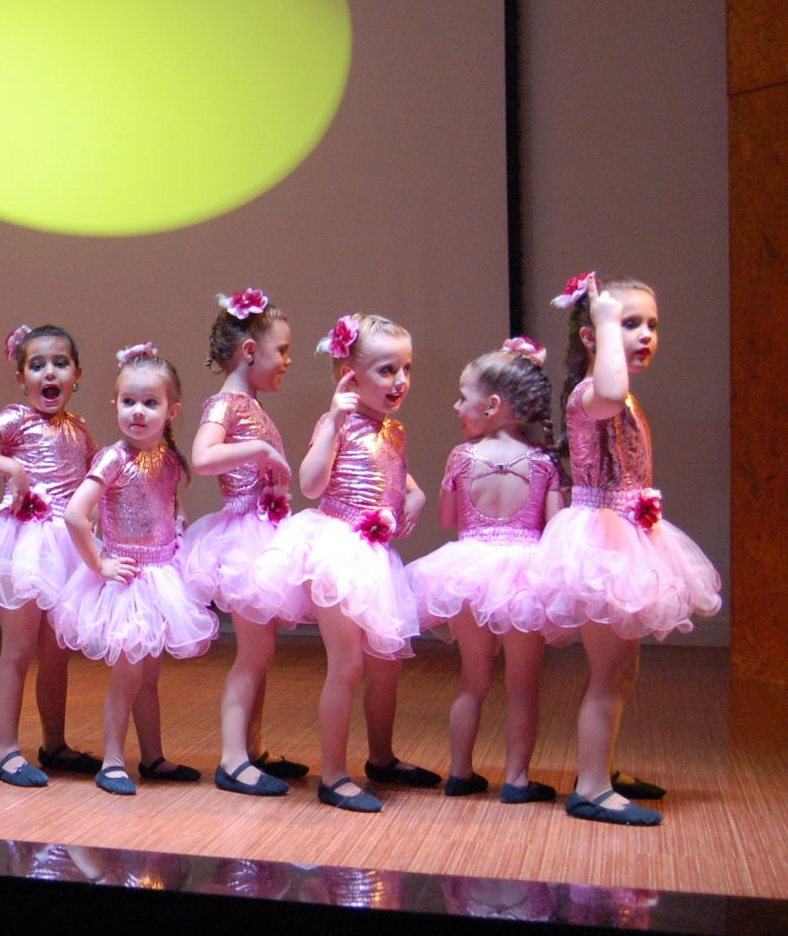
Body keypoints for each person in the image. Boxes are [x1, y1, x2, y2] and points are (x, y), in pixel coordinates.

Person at [532, 273, 720, 825]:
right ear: (592, 337)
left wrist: (611, 323)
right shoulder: (592, 394)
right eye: (627, 323)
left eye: (651, 324)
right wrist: (605, 319)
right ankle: (591, 788)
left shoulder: (622, 394)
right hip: (601, 540)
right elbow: (609, 392)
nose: (644, 335)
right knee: (609, 672)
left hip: (626, 534)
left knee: (621, 671)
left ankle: (603, 768)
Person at [245, 313, 433, 812]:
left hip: (375, 556)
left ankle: (382, 757)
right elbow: (311, 484)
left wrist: (414, 493)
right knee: (347, 665)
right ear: (350, 375)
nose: (400, 381)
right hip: (336, 551)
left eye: (406, 369)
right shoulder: (338, 423)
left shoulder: (394, 430)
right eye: (386, 370)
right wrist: (331, 421)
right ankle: (333, 775)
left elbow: (391, 471)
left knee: (386, 666)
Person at [53, 344, 219, 795]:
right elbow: (74, 515)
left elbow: (169, 509)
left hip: (160, 577)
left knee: (149, 678)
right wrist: (99, 563)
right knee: (128, 677)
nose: (138, 412)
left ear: (172, 411)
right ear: (115, 406)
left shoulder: (169, 459)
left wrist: (177, 539)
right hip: (127, 581)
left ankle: (153, 757)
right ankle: (111, 761)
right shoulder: (113, 458)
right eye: (129, 402)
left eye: (150, 402)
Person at [405, 338, 563, 803]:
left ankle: (460, 773)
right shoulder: (543, 462)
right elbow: (555, 527)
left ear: (491, 405)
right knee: (523, 688)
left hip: (469, 573)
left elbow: (448, 519)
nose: (456, 407)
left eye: (462, 397)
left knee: (473, 681)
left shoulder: (462, 457)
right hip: (524, 579)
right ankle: (516, 780)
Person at [0, 323, 97, 788]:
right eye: (37, 365)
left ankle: (55, 744)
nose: (49, 373)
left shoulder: (78, 427)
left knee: (57, 654)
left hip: (66, 549)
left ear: (77, 374)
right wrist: (9, 466)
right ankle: (8, 751)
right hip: (24, 546)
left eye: (60, 364)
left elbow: (94, 478)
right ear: (21, 378)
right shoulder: (15, 418)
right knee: (18, 649)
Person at [183, 289, 303, 796]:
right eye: (282, 351)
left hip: (263, 532)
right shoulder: (227, 404)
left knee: (263, 651)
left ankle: (253, 749)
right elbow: (203, 457)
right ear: (251, 351)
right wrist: (257, 448)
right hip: (242, 537)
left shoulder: (249, 403)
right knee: (254, 653)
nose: (288, 362)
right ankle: (233, 760)